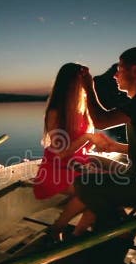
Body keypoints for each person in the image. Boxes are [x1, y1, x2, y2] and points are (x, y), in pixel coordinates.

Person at [75, 46, 136, 229]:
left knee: (84, 183)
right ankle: (116, 219)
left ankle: (115, 229)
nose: (115, 75)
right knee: (95, 162)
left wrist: (88, 87)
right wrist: (115, 146)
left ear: (135, 71)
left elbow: (100, 121)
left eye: (120, 69)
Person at [33, 62, 97, 236]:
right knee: (94, 191)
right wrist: (87, 138)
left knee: (107, 188)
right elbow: (60, 152)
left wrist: (91, 145)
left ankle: (77, 235)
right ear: (71, 85)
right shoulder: (55, 112)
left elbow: (81, 145)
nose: (84, 86)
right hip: (56, 170)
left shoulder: (82, 111)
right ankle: (57, 229)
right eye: (81, 81)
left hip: (78, 166)